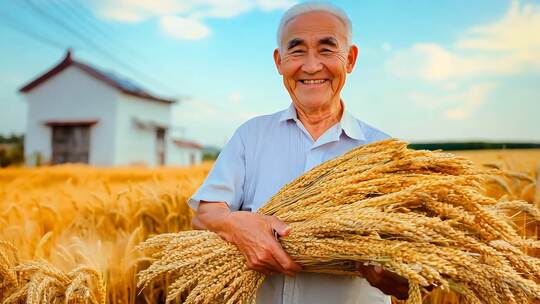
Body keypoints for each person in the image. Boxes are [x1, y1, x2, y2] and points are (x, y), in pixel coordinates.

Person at [189, 2, 409, 303]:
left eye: (327, 49)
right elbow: (204, 216)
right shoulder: (250, 136)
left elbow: (416, 274)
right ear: (279, 61)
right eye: (297, 51)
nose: (311, 65)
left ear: (351, 59)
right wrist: (234, 224)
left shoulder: (385, 153)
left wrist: (398, 274)